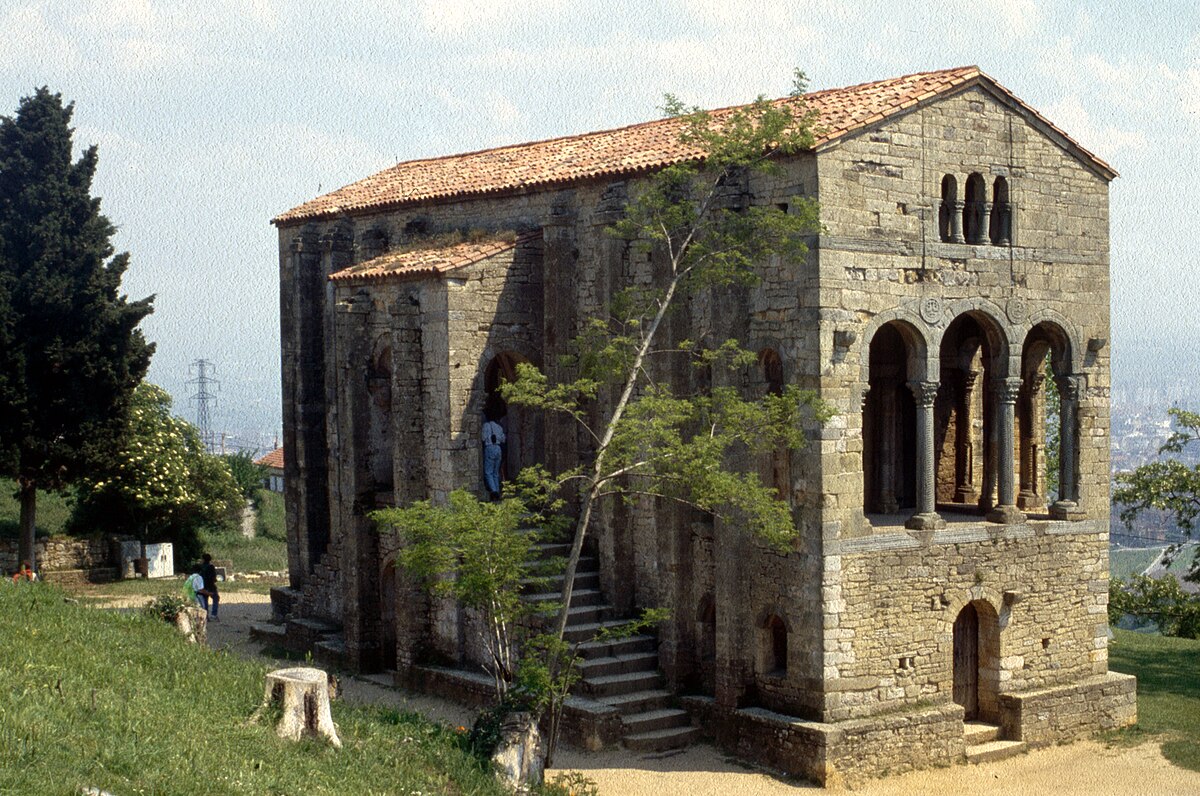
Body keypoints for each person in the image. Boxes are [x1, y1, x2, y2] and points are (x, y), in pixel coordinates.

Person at [482, 412, 506, 501]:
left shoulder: (486, 426)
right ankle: (498, 491)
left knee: (488, 472)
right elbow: (503, 439)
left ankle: (494, 491)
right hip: (498, 448)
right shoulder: (499, 427)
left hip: (490, 447)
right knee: (496, 472)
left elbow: (483, 438)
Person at [197, 553, 220, 620]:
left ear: (203, 559)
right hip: (211, 586)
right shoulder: (211, 567)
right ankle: (214, 614)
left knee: (205, 601)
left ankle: (206, 615)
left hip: (203, 586)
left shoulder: (201, 567)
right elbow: (213, 577)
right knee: (215, 598)